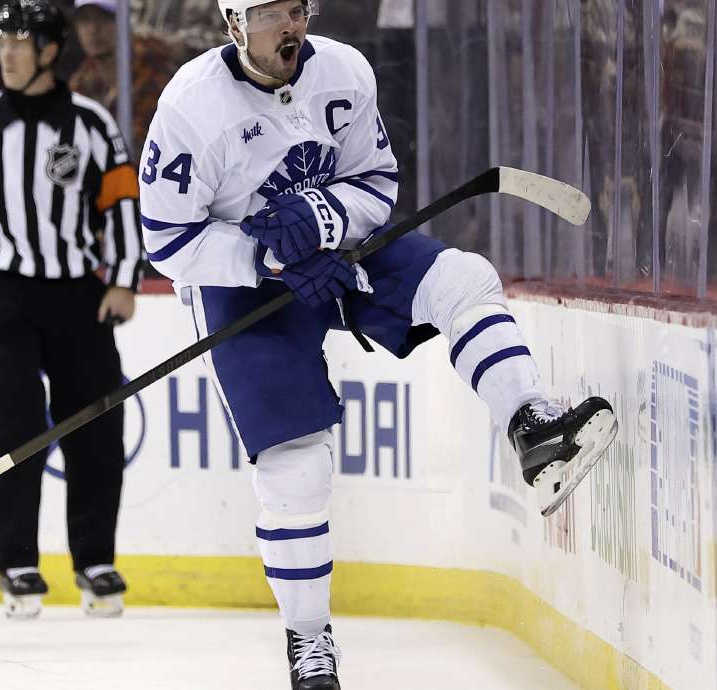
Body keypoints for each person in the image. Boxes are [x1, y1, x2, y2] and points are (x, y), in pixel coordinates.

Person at [138, 1, 618, 687]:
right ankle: (309, 644)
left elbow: (374, 183)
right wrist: (266, 258)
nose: (291, 26)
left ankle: (532, 426)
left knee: (462, 278)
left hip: (342, 251)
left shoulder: (343, 72)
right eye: (272, 14)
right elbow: (168, 241)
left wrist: (324, 216)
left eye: (297, 8)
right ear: (233, 24)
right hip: (243, 285)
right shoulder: (191, 108)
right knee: (297, 473)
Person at [0, 0, 142, 620]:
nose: (7, 54)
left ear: (50, 52)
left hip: (78, 295)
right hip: (3, 296)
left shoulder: (93, 124)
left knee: (96, 429)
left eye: (20, 42)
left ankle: (94, 560)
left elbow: (122, 205)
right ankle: (16, 562)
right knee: (13, 429)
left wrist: (124, 280)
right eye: (2, 42)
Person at [68, 0, 176, 161]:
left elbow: (142, 147)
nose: (93, 30)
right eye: (84, 20)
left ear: (125, 20)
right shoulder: (80, 83)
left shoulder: (154, 68)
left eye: (104, 18)